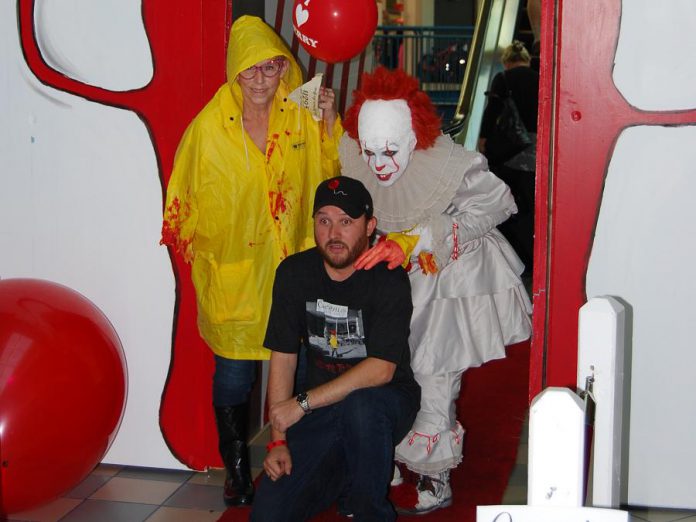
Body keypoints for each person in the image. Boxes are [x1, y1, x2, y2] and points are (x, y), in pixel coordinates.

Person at [160, 15, 342, 506]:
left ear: (284, 69)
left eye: (271, 69)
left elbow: (330, 173)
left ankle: (303, 462)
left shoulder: (300, 114)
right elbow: (182, 197)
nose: (261, 81)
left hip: (293, 272)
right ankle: (237, 466)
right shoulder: (208, 129)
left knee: (304, 369)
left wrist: (327, 124)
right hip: (237, 276)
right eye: (250, 71)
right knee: (236, 374)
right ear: (233, 72)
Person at [339, 67, 532, 514]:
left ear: (412, 139)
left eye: (389, 151)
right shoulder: (357, 156)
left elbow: (500, 203)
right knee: (382, 365)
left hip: (447, 279)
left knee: (434, 371)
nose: (378, 164)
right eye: (370, 152)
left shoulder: (450, 165)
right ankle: (382, 453)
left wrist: (426, 236)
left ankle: (433, 473)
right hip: (389, 279)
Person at [250, 176, 421, 522]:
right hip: (323, 409)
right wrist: (278, 441)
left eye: (346, 222)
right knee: (268, 513)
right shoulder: (294, 273)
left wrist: (301, 404)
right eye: (324, 220)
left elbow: (381, 369)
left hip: (384, 403)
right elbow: (283, 356)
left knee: (361, 407)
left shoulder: (388, 277)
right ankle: (347, 474)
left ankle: (369, 510)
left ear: (370, 227)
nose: (334, 233)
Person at [479, 40, 540, 275]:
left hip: (509, 154)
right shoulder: (537, 78)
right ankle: (534, 257)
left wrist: (484, 139)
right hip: (536, 151)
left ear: (506, 62)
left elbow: (492, 110)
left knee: (510, 205)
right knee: (531, 207)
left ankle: (515, 259)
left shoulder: (503, 79)